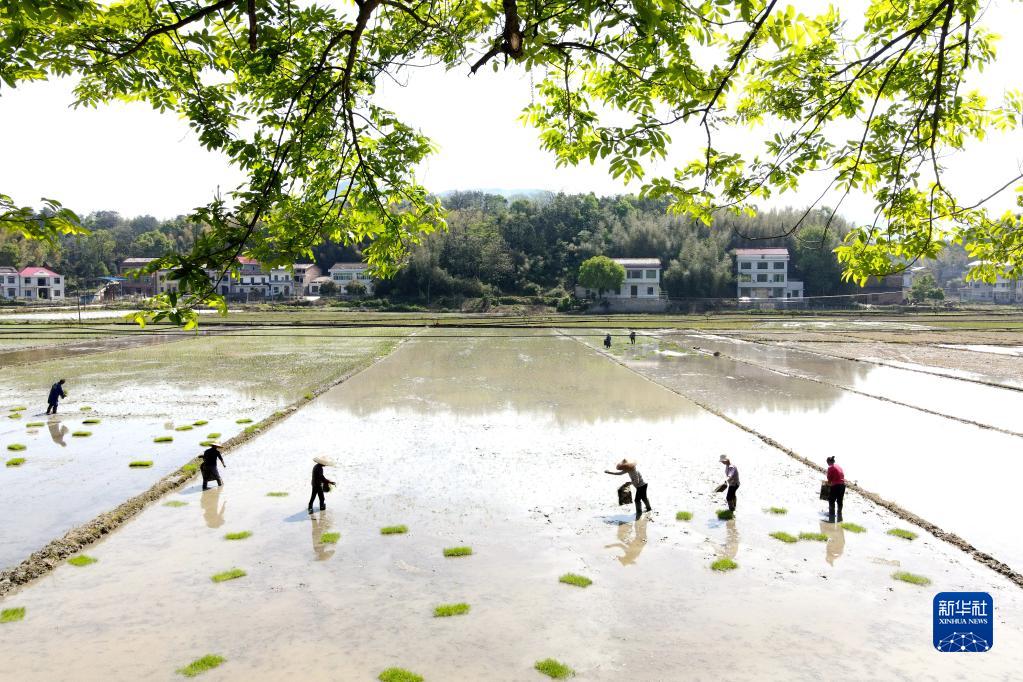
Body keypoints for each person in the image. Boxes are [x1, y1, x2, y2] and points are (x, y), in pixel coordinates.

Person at [826, 455, 846, 522]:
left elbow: (829, 479)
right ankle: (839, 515)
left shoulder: (830, 468)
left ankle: (831, 516)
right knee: (840, 501)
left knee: (831, 500)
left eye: (827, 462)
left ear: (828, 462)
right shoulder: (839, 467)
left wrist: (828, 484)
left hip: (836, 486)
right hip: (842, 485)